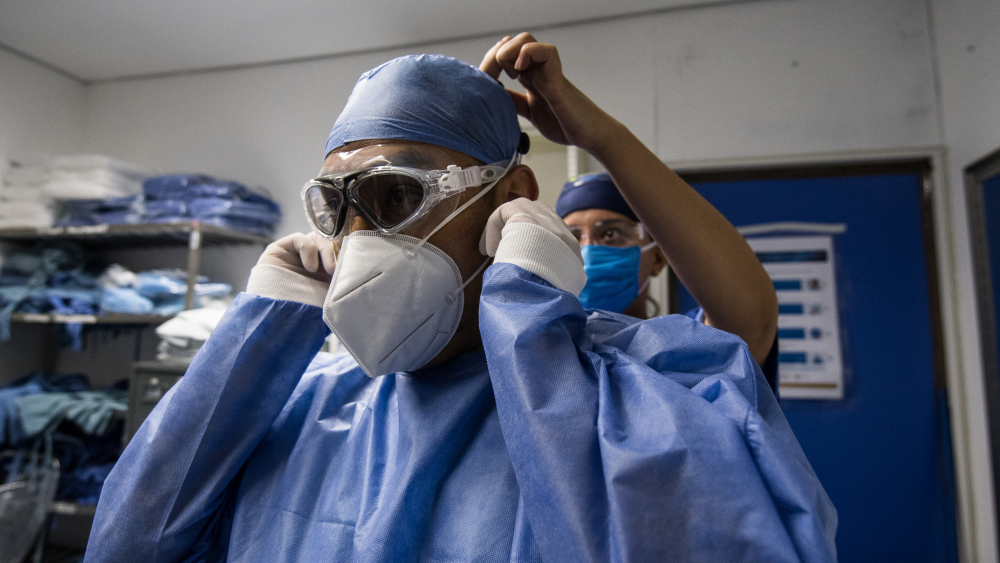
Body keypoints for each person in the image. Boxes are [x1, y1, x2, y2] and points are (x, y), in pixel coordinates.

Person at [84, 34, 836, 562]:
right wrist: (254, 347)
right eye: (336, 206)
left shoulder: (646, 388)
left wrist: (528, 329)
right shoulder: (299, 403)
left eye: (395, 195)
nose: (358, 238)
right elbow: (127, 545)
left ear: (512, 202)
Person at [553, 173, 780, 392]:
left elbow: (752, 323)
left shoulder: (691, 346)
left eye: (611, 233)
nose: (588, 252)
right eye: (573, 237)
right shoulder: (546, 352)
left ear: (658, 258)